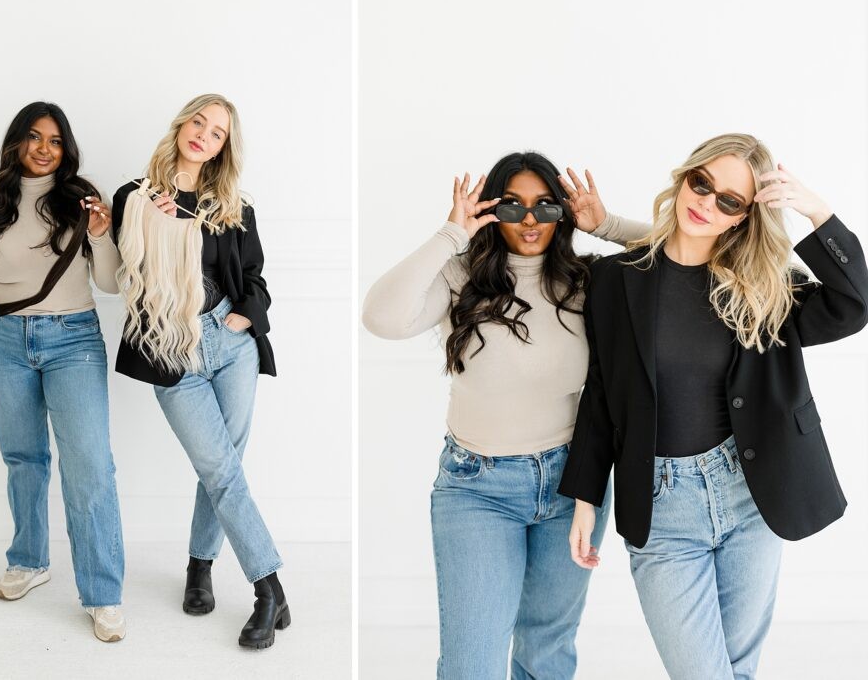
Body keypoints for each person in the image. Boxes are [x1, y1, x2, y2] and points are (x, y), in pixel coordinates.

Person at [560, 133, 868, 679]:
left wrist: (816, 210)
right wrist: (587, 498)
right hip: (662, 505)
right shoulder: (614, 279)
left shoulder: (763, 289)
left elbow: (853, 305)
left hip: (750, 496)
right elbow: (602, 395)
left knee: (737, 671)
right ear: (684, 178)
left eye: (730, 200)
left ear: (744, 217)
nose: (707, 203)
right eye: (702, 184)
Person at [362, 152, 646, 679]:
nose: (530, 220)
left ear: (563, 212)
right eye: (512, 206)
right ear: (492, 210)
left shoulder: (590, 281)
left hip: (572, 484)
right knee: (472, 664)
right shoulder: (459, 277)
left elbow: (690, 253)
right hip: (477, 487)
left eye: (544, 206)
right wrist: (451, 233)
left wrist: (606, 225)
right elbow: (381, 317)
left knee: (546, 650)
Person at [110, 93, 288, 649]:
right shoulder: (134, 197)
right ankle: (269, 588)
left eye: (217, 134)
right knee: (221, 468)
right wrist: (157, 223)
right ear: (182, 124)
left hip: (229, 342)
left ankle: (199, 567)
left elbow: (256, 278)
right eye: (199, 123)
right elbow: (123, 274)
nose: (203, 136)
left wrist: (241, 318)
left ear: (221, 149)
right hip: (172, 347)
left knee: (223, 469)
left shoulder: (234, 206)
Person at [0, 101, 126, 642]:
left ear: (66, 149)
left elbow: (110, 283)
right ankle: (29, 560)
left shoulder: (81, 200)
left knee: (90, 465)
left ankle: (102, 593)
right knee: (23, 457)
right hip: (2, 341)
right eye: (33, 137)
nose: (43, 148)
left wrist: (101, 233)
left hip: (73, 339)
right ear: (15, 143)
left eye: (54, 140)